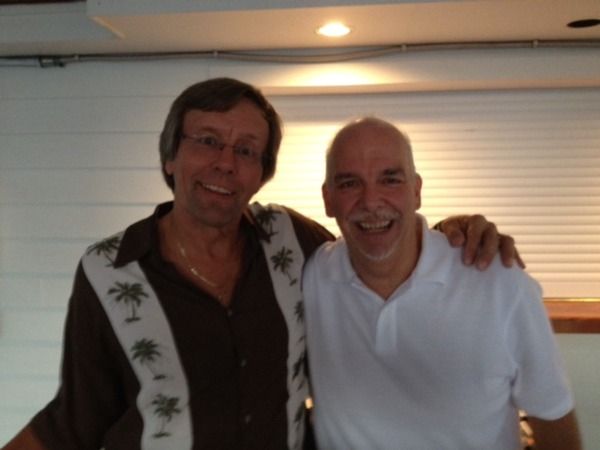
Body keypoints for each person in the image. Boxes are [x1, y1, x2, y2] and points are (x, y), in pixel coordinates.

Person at [3, 79, 520, 450]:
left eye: (247, 150)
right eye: (208, 141)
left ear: (261, 174)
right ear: (170, 157)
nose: (225, 163)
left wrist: (454, 231)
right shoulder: (108, 269)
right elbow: (76, 417)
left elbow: (377, 251)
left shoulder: (290, 239)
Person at [303, 117, 582, 450]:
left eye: (390, 180)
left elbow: (555, 424)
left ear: (416, 191)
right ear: (328, 199)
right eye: (350, 183)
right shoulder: (312, 275)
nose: (371, 200)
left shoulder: (500, 284)